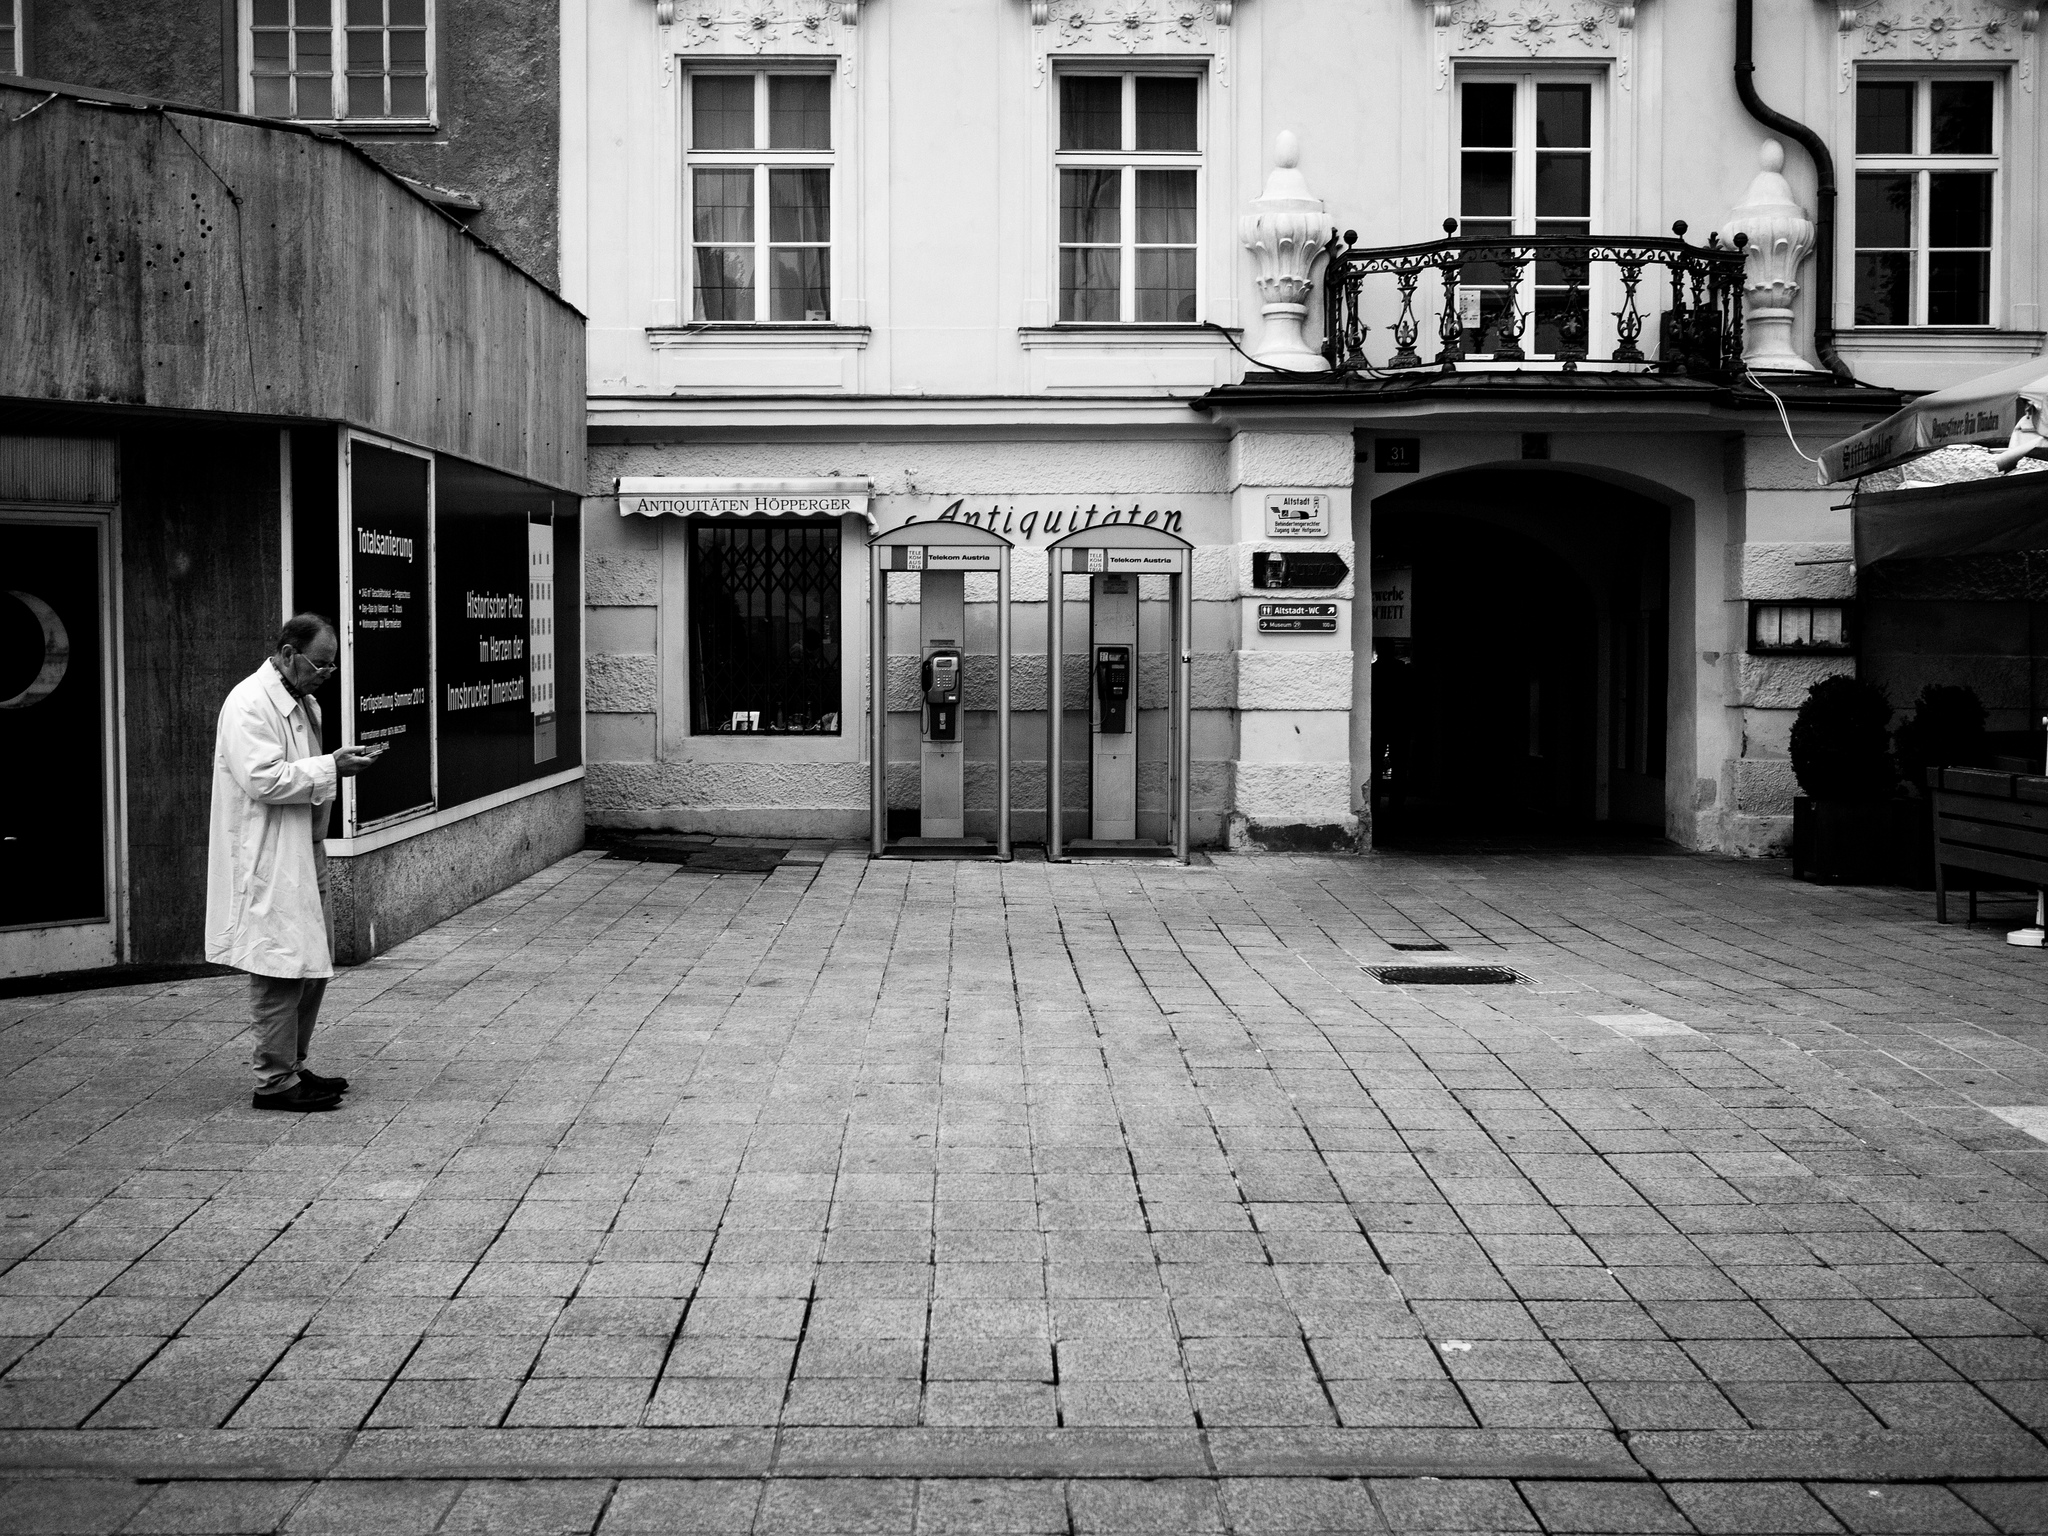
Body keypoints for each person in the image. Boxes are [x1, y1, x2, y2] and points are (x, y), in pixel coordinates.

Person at [205, 614, 381, 1111]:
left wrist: (334, 766)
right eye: (319, 664)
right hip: (270, 855)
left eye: (332, 666)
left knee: (313, 962)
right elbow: (264, 779)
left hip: (306, 849)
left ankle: (293, 1065)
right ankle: (274, 1082)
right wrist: (333, 766)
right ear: (286, 653)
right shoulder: (249, 703)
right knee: (279, 965)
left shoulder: (303, 702)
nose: (326, 673)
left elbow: (298, 773)